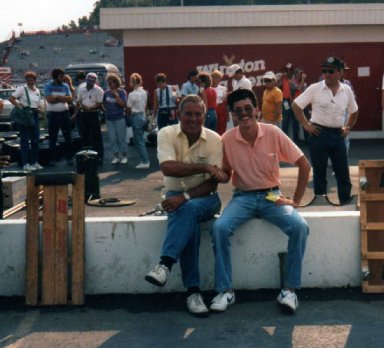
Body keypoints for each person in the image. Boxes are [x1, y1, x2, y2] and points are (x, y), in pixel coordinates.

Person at [211, 89, 311, 314]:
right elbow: (227, 174)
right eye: (238, 111)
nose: (244, 114)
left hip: (272, 196)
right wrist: (219, 174)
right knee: (219, 228)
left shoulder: (273, 133)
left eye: (248, 109)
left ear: (256, 110)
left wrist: (295, 201)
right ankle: (225, 291)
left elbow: (304, 164)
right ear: (232, 115)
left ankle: (290, 291)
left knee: (299, 227)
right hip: (243, 196)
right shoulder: (227, 139)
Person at [144, 95, 226, 317]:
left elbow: (213, 182)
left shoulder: (214, 139)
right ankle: (193, 293)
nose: (193, 118)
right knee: (188, 219)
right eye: (188, 114)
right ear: (178, 115)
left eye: (198, 114)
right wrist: (206, 167)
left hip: (207, 197)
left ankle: (165, 265)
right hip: (176, 195)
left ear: (204, 114)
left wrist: (185, 196)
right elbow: (168, 168)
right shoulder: (166, 133)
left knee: (186, 209)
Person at [292, 56, 358, 205]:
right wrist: (306, 125)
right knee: (319, 172)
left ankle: (345, 201)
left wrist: (348, 127)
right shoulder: (315, 88)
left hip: (338, 135)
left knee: (343, 173)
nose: (326, 74)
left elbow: (354, 111)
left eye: (331, 71)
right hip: (318, 134)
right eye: (324, 71)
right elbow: (296, 105)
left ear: (340, 72)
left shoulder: (346, 90)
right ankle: (320, 201)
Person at [9, 71, 43, 171]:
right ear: (26, 80)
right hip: (25, 116)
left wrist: (39, 109)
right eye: (28, 79)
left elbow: (37, 103)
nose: (30, 81)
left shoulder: (37, 90)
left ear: (35, 80)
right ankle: (25, 163)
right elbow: (11, 98)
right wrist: (20, 107)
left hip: (35, 115)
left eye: (32, 79)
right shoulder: (22, 89)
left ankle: (34, 162)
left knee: (35, 140)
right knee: (24, 141)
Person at [44, 67, 73, 165]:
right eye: (61, 76)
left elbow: (69, 98)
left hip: (64, 113)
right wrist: (62, 98)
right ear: (56, 76)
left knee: (68, 136)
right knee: (53, 137)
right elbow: (49, 100)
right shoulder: (48, 85)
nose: (63, 78)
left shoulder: (65, 86)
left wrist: (57, 97)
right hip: (53, 115)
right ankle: (52, 159)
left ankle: (69, 157)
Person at [76, 72, 104, 164]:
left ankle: (99, 157)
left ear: (94, 82)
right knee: (84, 136)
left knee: (96, 136)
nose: (90, 84)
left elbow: (99, 104)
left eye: (92, 82)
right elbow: (79, 101)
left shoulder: (99, 90)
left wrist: (90, 108)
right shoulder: (81, 88)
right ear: (86, 80)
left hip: (94, 113)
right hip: (84, 113)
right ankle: (85, 157)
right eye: (89, 82)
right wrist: (84, 108)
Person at [126, 73, 150, 169]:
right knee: (140, 140)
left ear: (132, 82)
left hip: (136, 117)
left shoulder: (131, 94)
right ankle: (144, 160)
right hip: (143, 116)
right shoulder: (144, 92)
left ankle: (145, 161)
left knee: (139, 141)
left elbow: (128, 107)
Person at [103, 74, 128, 164]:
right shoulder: (106, 93)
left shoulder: (122, 92)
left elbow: (123, 105)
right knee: (112, 138)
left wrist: (116, 95)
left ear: (116, 83)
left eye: (111, 83)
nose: (110, 85)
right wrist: (106, 110)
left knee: (121, 138)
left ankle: (124, 156)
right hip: (109, 119)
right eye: (109, 83)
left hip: (119, 118)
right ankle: (116, 156)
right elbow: (104, 103)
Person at [290, 68, 308, 143]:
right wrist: (303, 79)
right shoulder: (292, 81)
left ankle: (307, 139)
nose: (301, 75)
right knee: (295, 123)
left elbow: (305, 92)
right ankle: (296, 140)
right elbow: (299, 88)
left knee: (306, 121)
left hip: (304, 104)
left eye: (302, 74)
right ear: (296, 74)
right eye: (300, 74)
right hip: (296, 104)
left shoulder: (304, 82)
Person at [211, 70, 228, 136]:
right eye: (216, 78)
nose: (218, 80)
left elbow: (225, 101)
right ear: (212, 78)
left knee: (222, 129)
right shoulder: (208, 88)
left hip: (221, 111)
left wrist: (227, 114)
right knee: (213, 129)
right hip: (212, 110)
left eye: (219, 78)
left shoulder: (223, 88)